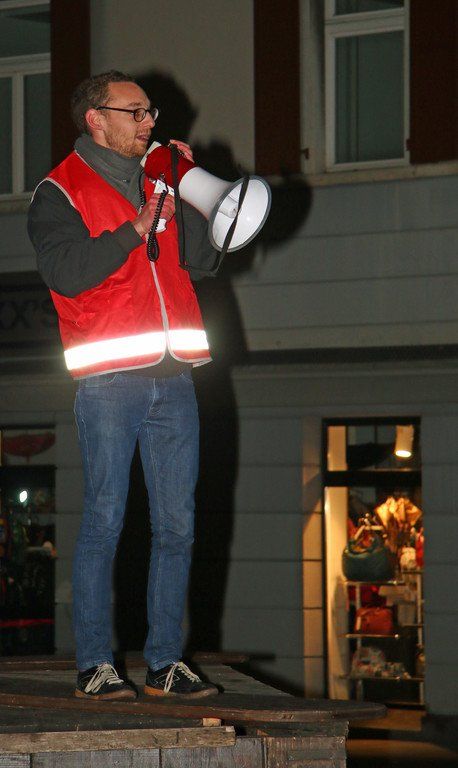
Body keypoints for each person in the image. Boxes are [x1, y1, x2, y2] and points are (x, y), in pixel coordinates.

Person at [28, 70, 219, 700]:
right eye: (134, 112)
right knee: (105, 521)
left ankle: (166, 662)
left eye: (149, 112)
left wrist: (193, 196)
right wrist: (135, 228)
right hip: (110, 381)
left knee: (178, 527)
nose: (149, 122)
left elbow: (203, 261)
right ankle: (95, 665)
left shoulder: (159, 179)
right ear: (96, 119)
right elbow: (65, 270)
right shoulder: (60, 190)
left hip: (175, 375)